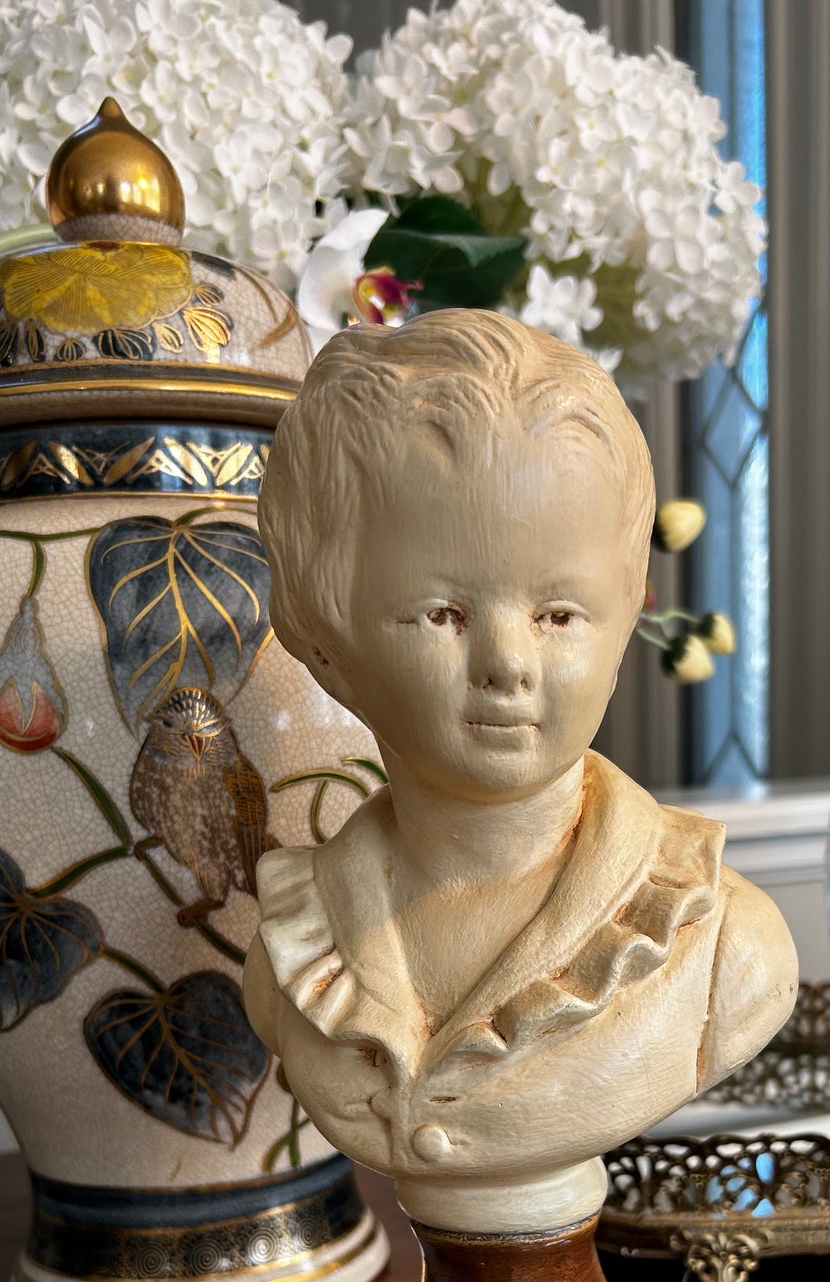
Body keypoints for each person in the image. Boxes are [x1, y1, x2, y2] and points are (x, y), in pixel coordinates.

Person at [243, 309, 797, 1234]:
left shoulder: (724, 950)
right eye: (441, 614)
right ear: (322, 641)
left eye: (559, 615)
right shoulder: (289, 962)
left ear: (626, 623)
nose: (508, 661)